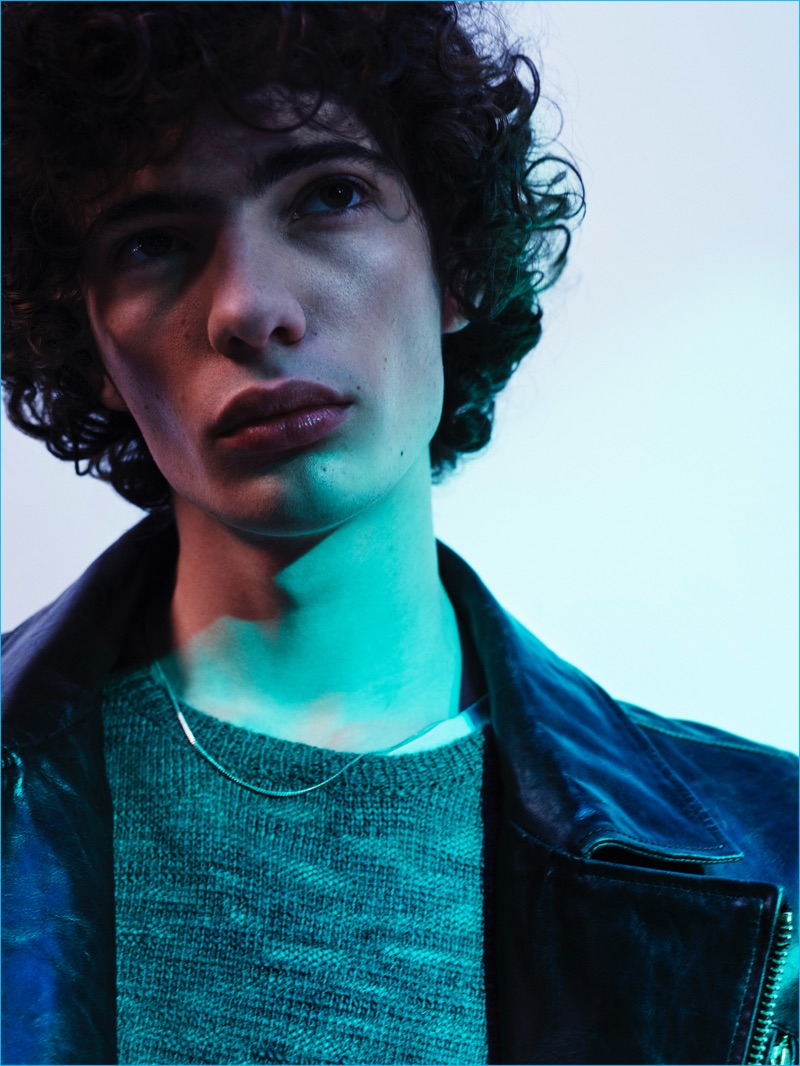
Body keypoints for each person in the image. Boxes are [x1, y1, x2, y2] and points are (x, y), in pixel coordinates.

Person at [2, 3, 796, 1064]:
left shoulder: (773, 861)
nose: (250, 307)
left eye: (328, 195)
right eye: (154, 244)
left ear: (454, 262)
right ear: (88, 336)